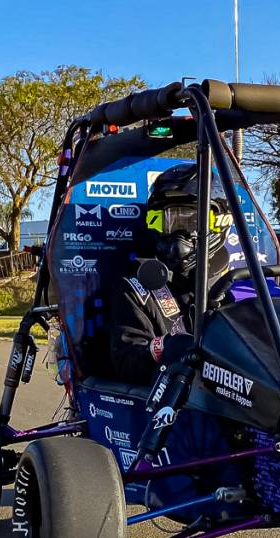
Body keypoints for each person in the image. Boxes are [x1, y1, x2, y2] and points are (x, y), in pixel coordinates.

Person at [94, 163, 232, 384]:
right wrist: (166, 347)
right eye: (171, 221)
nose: (180, 234)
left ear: (219, 221)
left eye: (192, 221)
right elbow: (127, 363)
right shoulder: (137, 289)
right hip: (171, 403)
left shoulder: (243, 286)